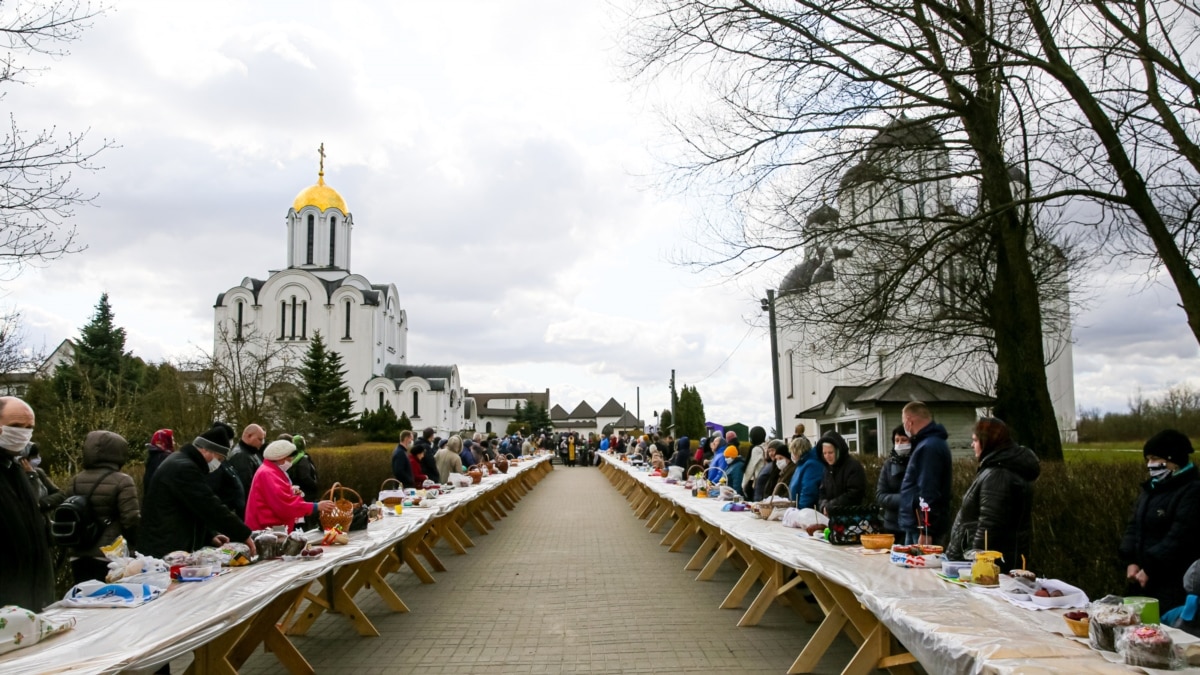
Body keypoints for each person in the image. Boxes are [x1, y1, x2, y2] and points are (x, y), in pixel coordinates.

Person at [140, 424, 256, 558]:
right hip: (166, 544)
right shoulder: (184, 469)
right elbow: (209, 505)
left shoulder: (182, 462)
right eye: (219, 459)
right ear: (207, 451)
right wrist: (243, 534)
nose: (217, 464)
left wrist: (210, 535)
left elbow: (192, 507)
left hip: (168, 539)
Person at [1120, 429, 1200, 612]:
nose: (1150, 464)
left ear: (1174, 460)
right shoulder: (1151, 489)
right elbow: (1133, 526)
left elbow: (1180, 537)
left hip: (1173, 585)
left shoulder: (1193, 491)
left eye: (1155, 458)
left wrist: (1150, 568)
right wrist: (1131, 560)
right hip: (1140, 579)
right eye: (1148, 459)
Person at [945, 418, 1040, 573]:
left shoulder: (998, 474)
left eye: (975, 440)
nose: (972, 445)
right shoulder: (996, 468)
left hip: (987, 567)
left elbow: (989, 525)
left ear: (987, 442)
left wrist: (976, 563)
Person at [62, 431, 141, 583]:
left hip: (79, 552)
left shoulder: (76, 480)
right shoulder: (123, 481)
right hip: (110, 554)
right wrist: (133, 543)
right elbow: (130, 518)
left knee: (83, 598)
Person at [0, 396, 55, 610]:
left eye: (28, 427)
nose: (23, 432)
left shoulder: (15, 470)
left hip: (30, 599)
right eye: (15, 426)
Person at [245, 440, 334, 532]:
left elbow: (277, 497)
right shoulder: (268, 474)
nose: (291, 461)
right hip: (267, 528)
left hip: (269, 526)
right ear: (281, 458)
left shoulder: (270, 470)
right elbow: (284, 504)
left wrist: (290, 491)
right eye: (289, 459)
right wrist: (315, 506)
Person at [898, 401, 954, 546]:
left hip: (921, 527)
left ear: (909, 421)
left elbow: (928, 489)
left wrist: (925, 530)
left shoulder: (929, 447)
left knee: (918, 567)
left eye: (904, 422)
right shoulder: (928, 443)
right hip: (917, 523)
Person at [875, 425, 912, 536]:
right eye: (897, 440)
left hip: (912, 524)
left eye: (904, 440)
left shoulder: (918, 463)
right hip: (891, 524)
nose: (900, 444)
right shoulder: (889, 465)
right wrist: (904, 499)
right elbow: (880, 495)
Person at [204, 421, 247, 518]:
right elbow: (213, 490)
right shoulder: (214, 463)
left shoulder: (224, 460)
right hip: (224, 515)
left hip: (234, 514)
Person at [816, 430, 865, 513]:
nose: (827, 456)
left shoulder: (853, 467)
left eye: (830, 452)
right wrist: (823, 506)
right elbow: (822, 492)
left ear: (838, 451)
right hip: (831, 517)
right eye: (824, 453)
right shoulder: (827, 469)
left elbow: (854, 494)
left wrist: (831, 506)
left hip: (850, 518)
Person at [286, 434, 320, 529]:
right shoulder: (302, 459)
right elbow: (305, 477)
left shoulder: (294, 459)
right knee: (308, 518)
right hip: (307, 494)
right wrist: (315, 485)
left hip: (299, 493)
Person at [21, 442, 63, 517]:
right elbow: (31, 503)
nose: (38, 458)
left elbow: (60, 495)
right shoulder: (18, 477)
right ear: (24, 460)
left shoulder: (39, 472)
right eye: (35, 457)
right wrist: (31, 475)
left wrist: (42, 504)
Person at [226, 423, 266, 500]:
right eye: (260, 439)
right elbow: (245, 487)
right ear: (249, 436)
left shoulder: (250, 452)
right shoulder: (241, 456)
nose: (262, 443)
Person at [788, 431, 825, 510]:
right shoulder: (801, 464)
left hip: (806, 511)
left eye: (792, 451)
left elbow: (809, 491)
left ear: (798, 450)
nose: (792, 454)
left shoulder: (811, 465)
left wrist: (800, 510)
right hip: (797, 508)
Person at [143, 429, 174, 494]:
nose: (174, 443)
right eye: (172, 440)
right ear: (166, 441)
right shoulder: (164, 459)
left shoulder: (153, 457)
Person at [742, 427, 768, 499]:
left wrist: (743, 485)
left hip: (758, 481)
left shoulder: (756, 449)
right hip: (767, 480)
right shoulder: (766, 446)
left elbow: (750, 469)